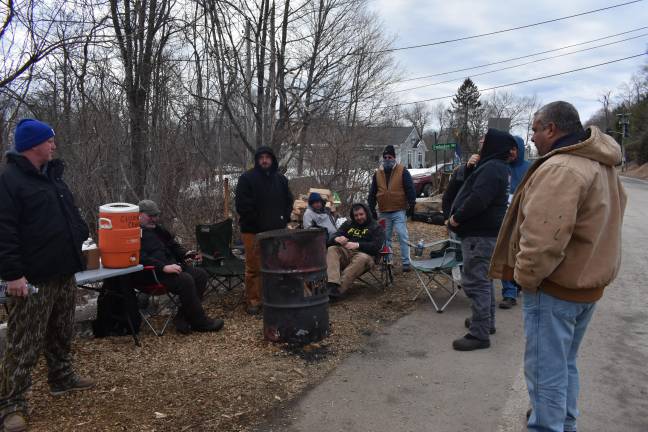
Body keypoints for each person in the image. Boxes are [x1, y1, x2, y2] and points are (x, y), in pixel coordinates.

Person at [489, 101, 626, 432]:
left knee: (544, 370)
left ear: (551, 129)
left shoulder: (563, 168)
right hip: (585, 286)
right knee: (564, 364)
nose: (532, 136)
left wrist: (526, 279)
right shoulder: (600, 164)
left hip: (556, 288)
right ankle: (565, 424)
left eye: (535, 128)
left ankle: (548, 427)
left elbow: (543, 239)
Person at [0, 119, 94, 432]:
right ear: (33, 144)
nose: (54, 145)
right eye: (49, 140)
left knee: (61, 330)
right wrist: (13, 275)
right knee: (23, 341)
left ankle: (61, 377)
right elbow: (4, 232)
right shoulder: (10, 180)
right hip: (32, 278)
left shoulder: (53, 177)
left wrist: (80, 233)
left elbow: (71, 215)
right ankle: (11, 404)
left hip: (64, 270)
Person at [448, 128, 517, 351]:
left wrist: (456, 219)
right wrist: (471, 167)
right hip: (484, 234)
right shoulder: (494, 166)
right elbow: (470, 188)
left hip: (479, 235)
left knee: (476, 283)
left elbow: (478, 199)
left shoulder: (493, 168)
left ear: (493, 144)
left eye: (484, 140)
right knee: (484, 280)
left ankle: (479, 334)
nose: (480, 142)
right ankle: (486, 323)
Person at [138, 200, 224, 334]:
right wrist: (163, 267)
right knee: (186, 280)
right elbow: (140, 258)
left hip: (172, 267)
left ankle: (182, 317)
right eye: (150, 216)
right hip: (153, 274)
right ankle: (200, 322)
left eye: (156, 215)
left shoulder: (158, 229)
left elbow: (173, 245)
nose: (154, 219)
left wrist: (186, 254)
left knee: (200, 275)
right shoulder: (132, 234)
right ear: (139, 215)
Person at [235, 146, 293, 315]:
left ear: (273, 159)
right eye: (261, 157)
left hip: (276, 231)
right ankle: (254, 301)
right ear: (257, 160)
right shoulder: (247, 179)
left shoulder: (281, 179)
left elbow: (289, 201)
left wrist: (284, 217)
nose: (265, 160)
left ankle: (272, 297)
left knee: (276, 265)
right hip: (252, 231)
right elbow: (242, 206)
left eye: (268, 157)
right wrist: (260, 223)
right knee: (254, 268)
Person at [368, 145, 416, 272]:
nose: (387, 159)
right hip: (383, 211)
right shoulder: (378, 173)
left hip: (399, 210)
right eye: (385, 157)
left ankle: (406, 263)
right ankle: (387, 262)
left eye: (389, 157)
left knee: (402, 235)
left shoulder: (402, 171)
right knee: (385, 238)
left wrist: (412, 205)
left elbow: (410, 189)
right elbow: (372, 193)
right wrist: (371, 209)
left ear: (394, 157)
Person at [498, 135, 530, 310]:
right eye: (508, 148)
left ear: (520, 149)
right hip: (503, 220)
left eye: (514, 148)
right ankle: (509, 293)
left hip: (524, 219)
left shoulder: (530, 169)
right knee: (505, 256)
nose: (510, 152)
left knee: (521, 254)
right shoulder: (501, 168)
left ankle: (517, 284)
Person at [326, 203, 384, 299]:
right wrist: (337, 239)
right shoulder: (348, 224)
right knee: (332, 249)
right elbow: (332, 237)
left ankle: (338, 291)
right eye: (356, 215)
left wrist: (358, 245)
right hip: (347, 253)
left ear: (366, 213)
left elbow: (377, 246)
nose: (359, 217)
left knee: (362, 258)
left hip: (367, 256)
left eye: (361, 214)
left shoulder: (375, 227)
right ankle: (332, 284)